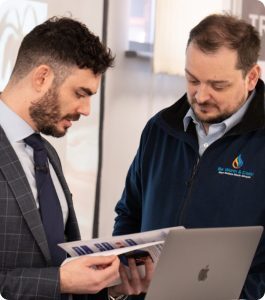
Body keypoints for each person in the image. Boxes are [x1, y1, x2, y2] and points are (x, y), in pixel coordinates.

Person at [112, 13, 265, 300]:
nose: (201, 95)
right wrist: (127, 269)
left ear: (251, 78)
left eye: (217, 85)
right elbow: (129, 212)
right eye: (192, 79)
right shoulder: (159, 130)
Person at [0, 16, 121, 300]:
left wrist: (108, 286)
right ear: (42, 78)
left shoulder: (47, 154)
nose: (87, 109)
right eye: (81, 93)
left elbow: (60, 266)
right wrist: (58, 281)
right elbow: (59, 279)